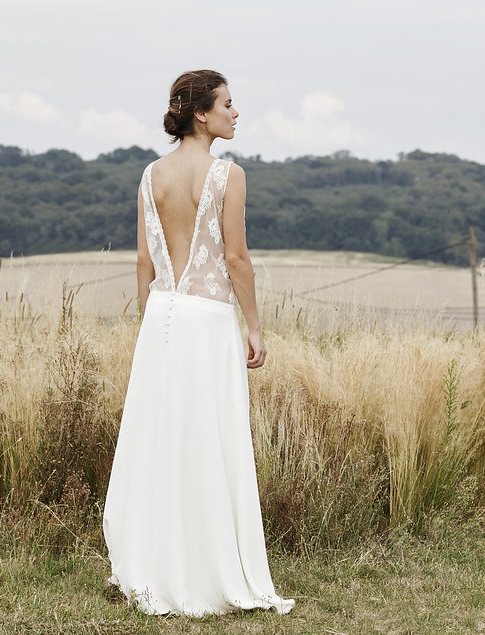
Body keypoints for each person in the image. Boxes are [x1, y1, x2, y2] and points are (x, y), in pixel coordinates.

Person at [102, 69, 295, 617]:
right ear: (201, 114)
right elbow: (235, 259)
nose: (237, 113)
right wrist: (254, 326)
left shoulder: (149, 176)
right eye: (228, 104)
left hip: (162, 315)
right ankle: (208, 568)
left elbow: (144, 262)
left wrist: (151, 324)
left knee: (161, 438)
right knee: (209, 438)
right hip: (208, 320)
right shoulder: (227, 176)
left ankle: (156, 562)